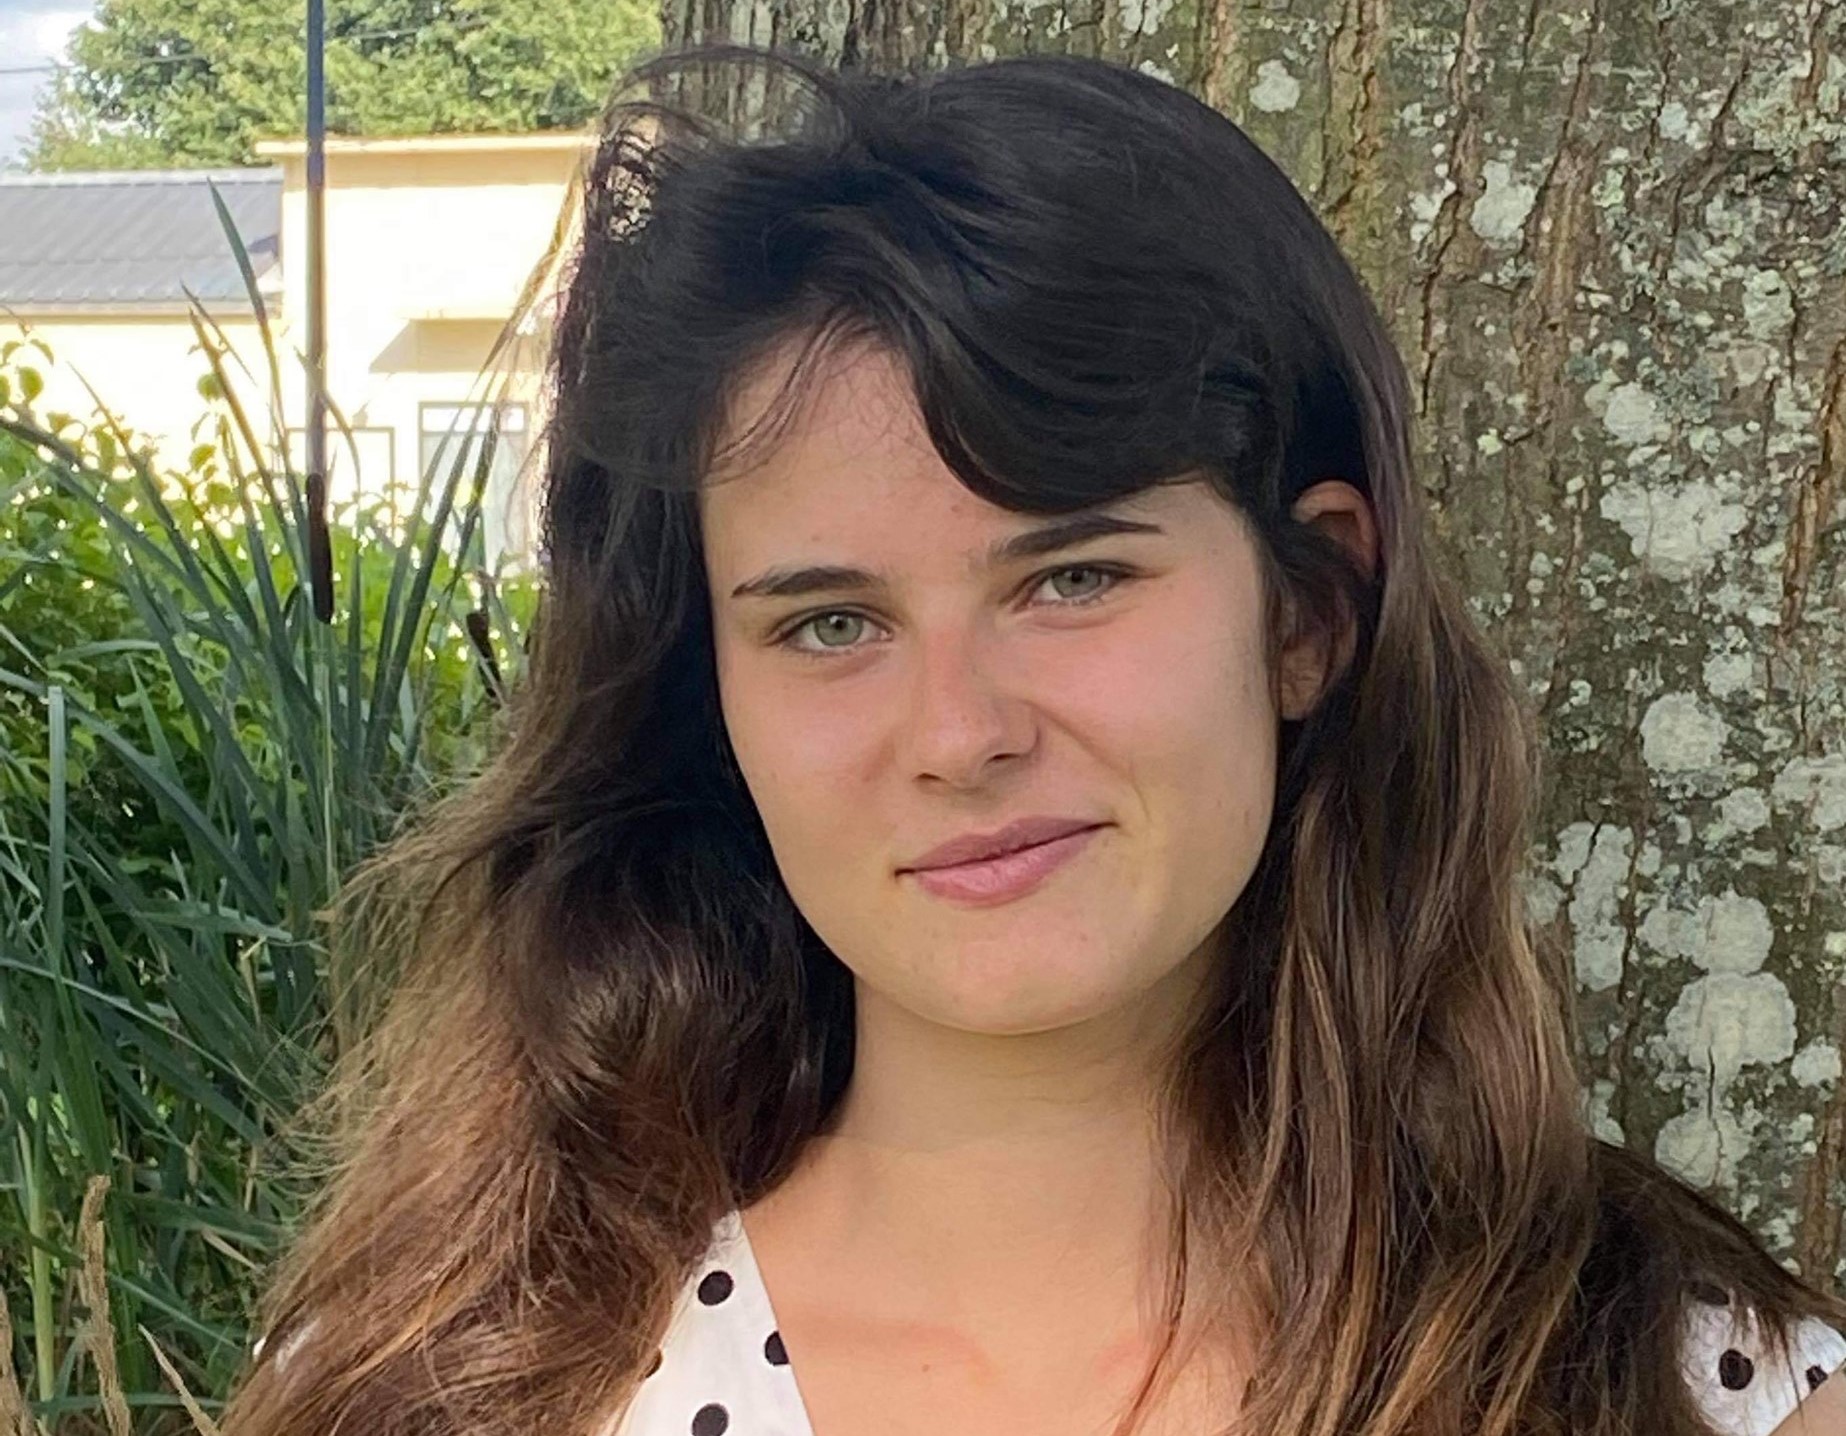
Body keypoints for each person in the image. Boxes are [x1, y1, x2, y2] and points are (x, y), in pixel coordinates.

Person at [221, 41, 1846, 1436]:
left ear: (1306, 612)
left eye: (1071, 579)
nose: (957, 733)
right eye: (828, 623)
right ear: (706, 691)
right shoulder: (444, 1387)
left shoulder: (1709, 1396)